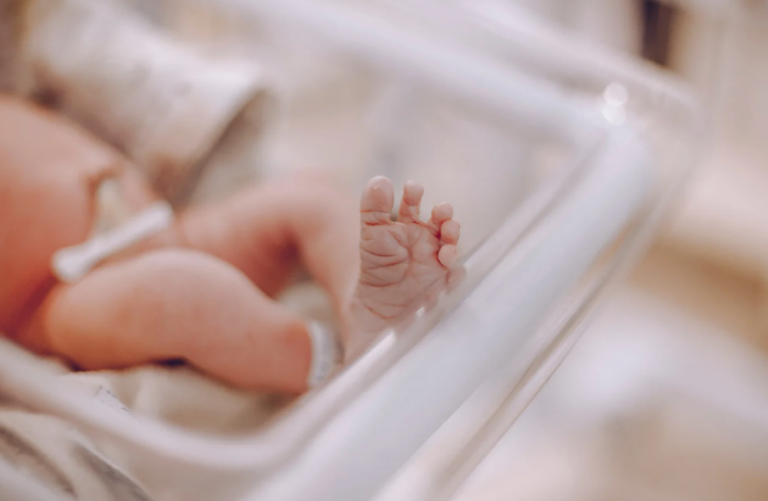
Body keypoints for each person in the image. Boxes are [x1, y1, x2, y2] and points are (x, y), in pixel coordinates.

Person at [0, 95, 461, 393]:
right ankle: (326, 370)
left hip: (158, 226)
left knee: (308, 194)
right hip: (58, 300)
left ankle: (364, 307)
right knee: (179, 295)